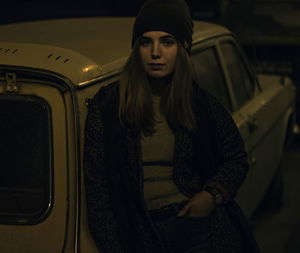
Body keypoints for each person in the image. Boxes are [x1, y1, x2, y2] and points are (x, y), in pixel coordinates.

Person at [84, 0, 260, 252]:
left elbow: (236, 158)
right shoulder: (108, 104)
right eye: (146, 42)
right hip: (137, 233)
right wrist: (113, 246)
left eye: (167, 42)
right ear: (136, 48)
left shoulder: (199, 103)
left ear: (182, 48)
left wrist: (210, 196)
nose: (155, 52)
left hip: (193, 227)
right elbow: (96, 187)